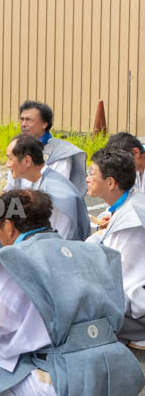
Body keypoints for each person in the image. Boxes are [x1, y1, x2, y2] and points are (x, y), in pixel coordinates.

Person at [0, 189, 143, 396]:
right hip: (118, 371)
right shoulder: (95, 252)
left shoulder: (21, 261)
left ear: (8, 226)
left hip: (67, 383)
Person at [0, 135, 91, 279]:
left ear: (27, 161)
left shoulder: (58, 196)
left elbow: (53, 243)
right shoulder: (41, 181)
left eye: (10, 158)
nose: (7, 164)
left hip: (59, 269)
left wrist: (1, 232)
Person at [86, 148, 145, 346]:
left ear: (110, 183)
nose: (87, 179)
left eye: (92, 173)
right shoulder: (133, 199)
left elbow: (126, 287)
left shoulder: (130, 224)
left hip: (138, 314)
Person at [7, 100, 87, 196]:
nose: (23, 124)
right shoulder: (18, 147)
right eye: (22, 119)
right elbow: (11, 187)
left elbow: (57, 191)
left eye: (29, 120)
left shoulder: (61, 153)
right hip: (22, 202)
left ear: (44, 124)